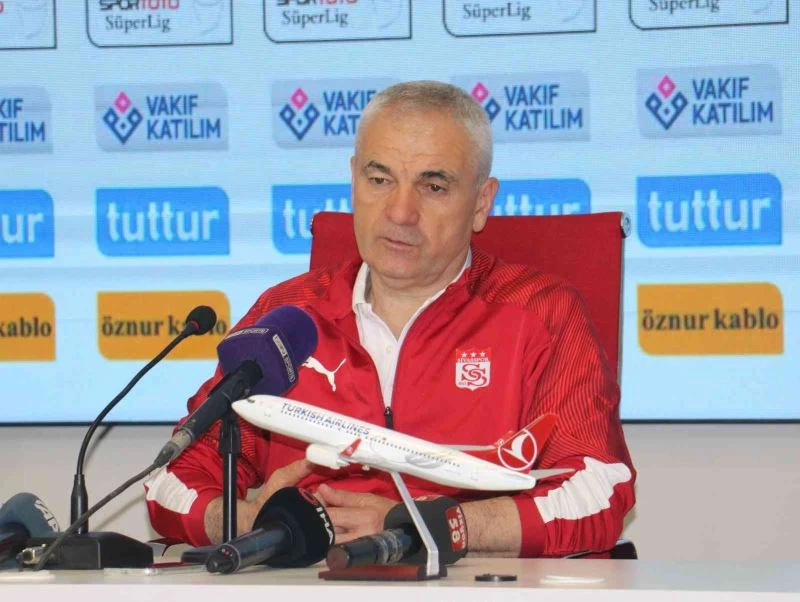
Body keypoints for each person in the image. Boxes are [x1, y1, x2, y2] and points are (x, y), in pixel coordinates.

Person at [145, 81, 635, 558]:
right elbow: (172, 476)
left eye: (433, 186)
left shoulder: (542, 313)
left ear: (481, 203)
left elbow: (597, 490)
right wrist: (246, 523)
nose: (400, 212)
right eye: (379, 180)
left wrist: (424, 527)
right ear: (353, 180)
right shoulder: (287, 316)